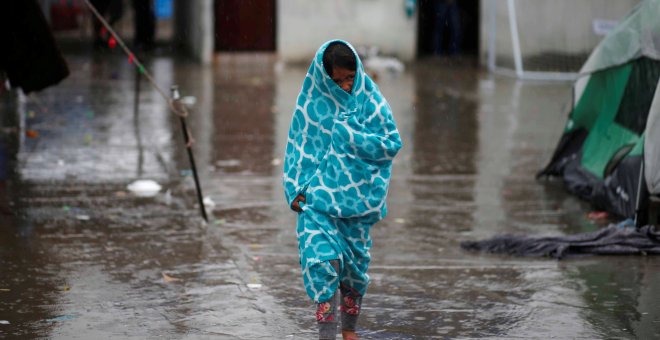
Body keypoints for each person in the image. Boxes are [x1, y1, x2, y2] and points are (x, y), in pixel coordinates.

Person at [282, 40, 402, 340]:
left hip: (356, 206)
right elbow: (298, 149)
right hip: (317, 204)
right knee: (323, 264)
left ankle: (349, 331)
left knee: (354, 272)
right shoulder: (311, 104)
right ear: (324, 78)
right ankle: (326, 335)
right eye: (337, 81)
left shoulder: (371, 102)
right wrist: (295, 190)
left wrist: (349, 137)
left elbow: (390, 144)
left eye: (350, 78)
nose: (345, 86)